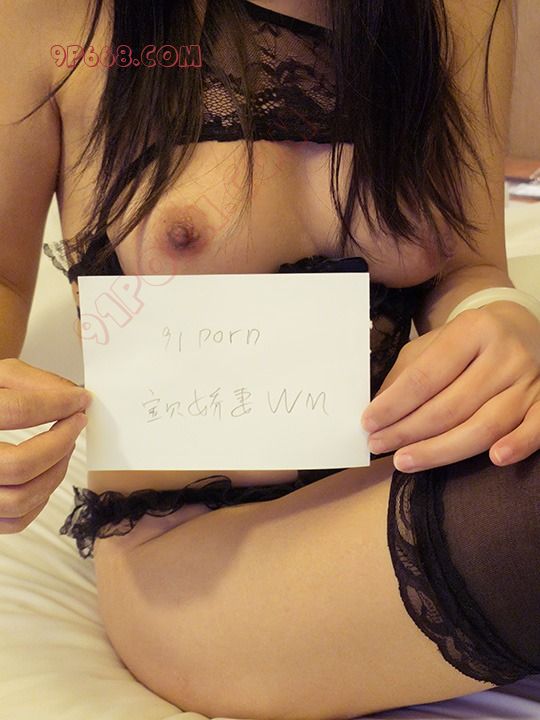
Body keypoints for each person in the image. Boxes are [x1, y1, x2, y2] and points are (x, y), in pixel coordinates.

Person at [1, 0, 539, 717]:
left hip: (405, 467)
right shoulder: (53, 15)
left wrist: (497, 315)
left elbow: (467, 264)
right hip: (195, 554)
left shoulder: (461, 9)